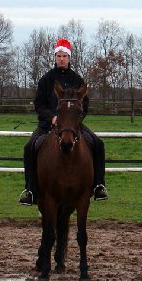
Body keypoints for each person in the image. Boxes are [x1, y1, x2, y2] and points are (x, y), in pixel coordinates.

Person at [17, 38, 108, 205]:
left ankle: (98, 185)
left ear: (69, 58)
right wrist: (51, 117)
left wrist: (75, 120)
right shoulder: (46, 80)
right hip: (47, 125)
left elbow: (84, 103)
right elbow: (39, 103)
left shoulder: (77, 79)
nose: (61, 59)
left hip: (73, 126)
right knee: (29, 147)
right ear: (55, 57)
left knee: (98, 143)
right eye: (58, 56)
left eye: (64, 56)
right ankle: (30, 189)